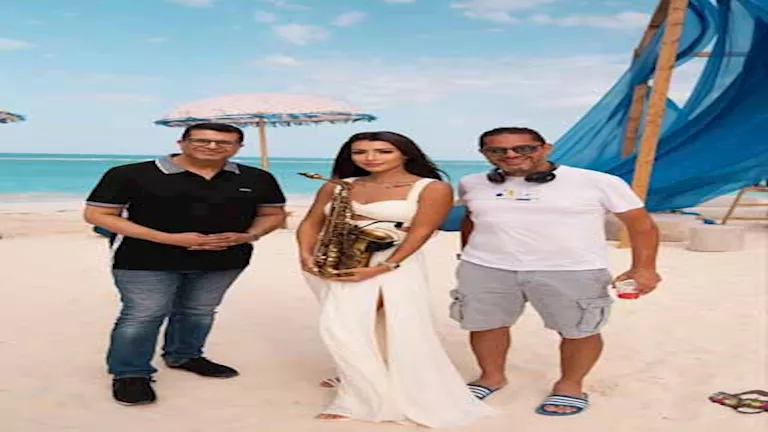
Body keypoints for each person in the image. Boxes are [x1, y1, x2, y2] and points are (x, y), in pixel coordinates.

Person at [452, 127, 661, 416]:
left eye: (524, 148)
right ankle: (491, 377)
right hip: (486, 268)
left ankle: (570, 385)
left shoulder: (598, 182)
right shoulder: (471, 183)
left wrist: (644, 268)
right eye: (497, 150)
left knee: (579, 330)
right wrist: (467, 254)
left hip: (572, 270)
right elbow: (471, 219)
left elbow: (642, 226)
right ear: (484, 154)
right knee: (484, 325)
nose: (510, 155)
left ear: (545, 148)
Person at [296, 131, 496, 428]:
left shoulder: (432, 187)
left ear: (405, 153)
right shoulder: (338, 185)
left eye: (383, 151)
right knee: (364, 325)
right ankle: (363, 375)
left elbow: (422, 231)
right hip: (335, 259)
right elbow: (311, 222)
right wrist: (305, 254)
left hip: (393, 262)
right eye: (359, 152)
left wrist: (385, 266)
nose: (370, 158)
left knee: (344, 327)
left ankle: (358, 398)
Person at [84, 122, 287, 406]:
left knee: (198, 311)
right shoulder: (130, 174)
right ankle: (131, 374)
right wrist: (168, 239)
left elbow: (273, 214)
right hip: (144, 259)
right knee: (144, 314)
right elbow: (98, 215)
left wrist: (249, 235)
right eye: (202, 140)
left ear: (238, 147)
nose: (212, 146)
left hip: (224, 259)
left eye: (223, 143)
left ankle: (184, 356)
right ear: (181, 142)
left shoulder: (257, 178)